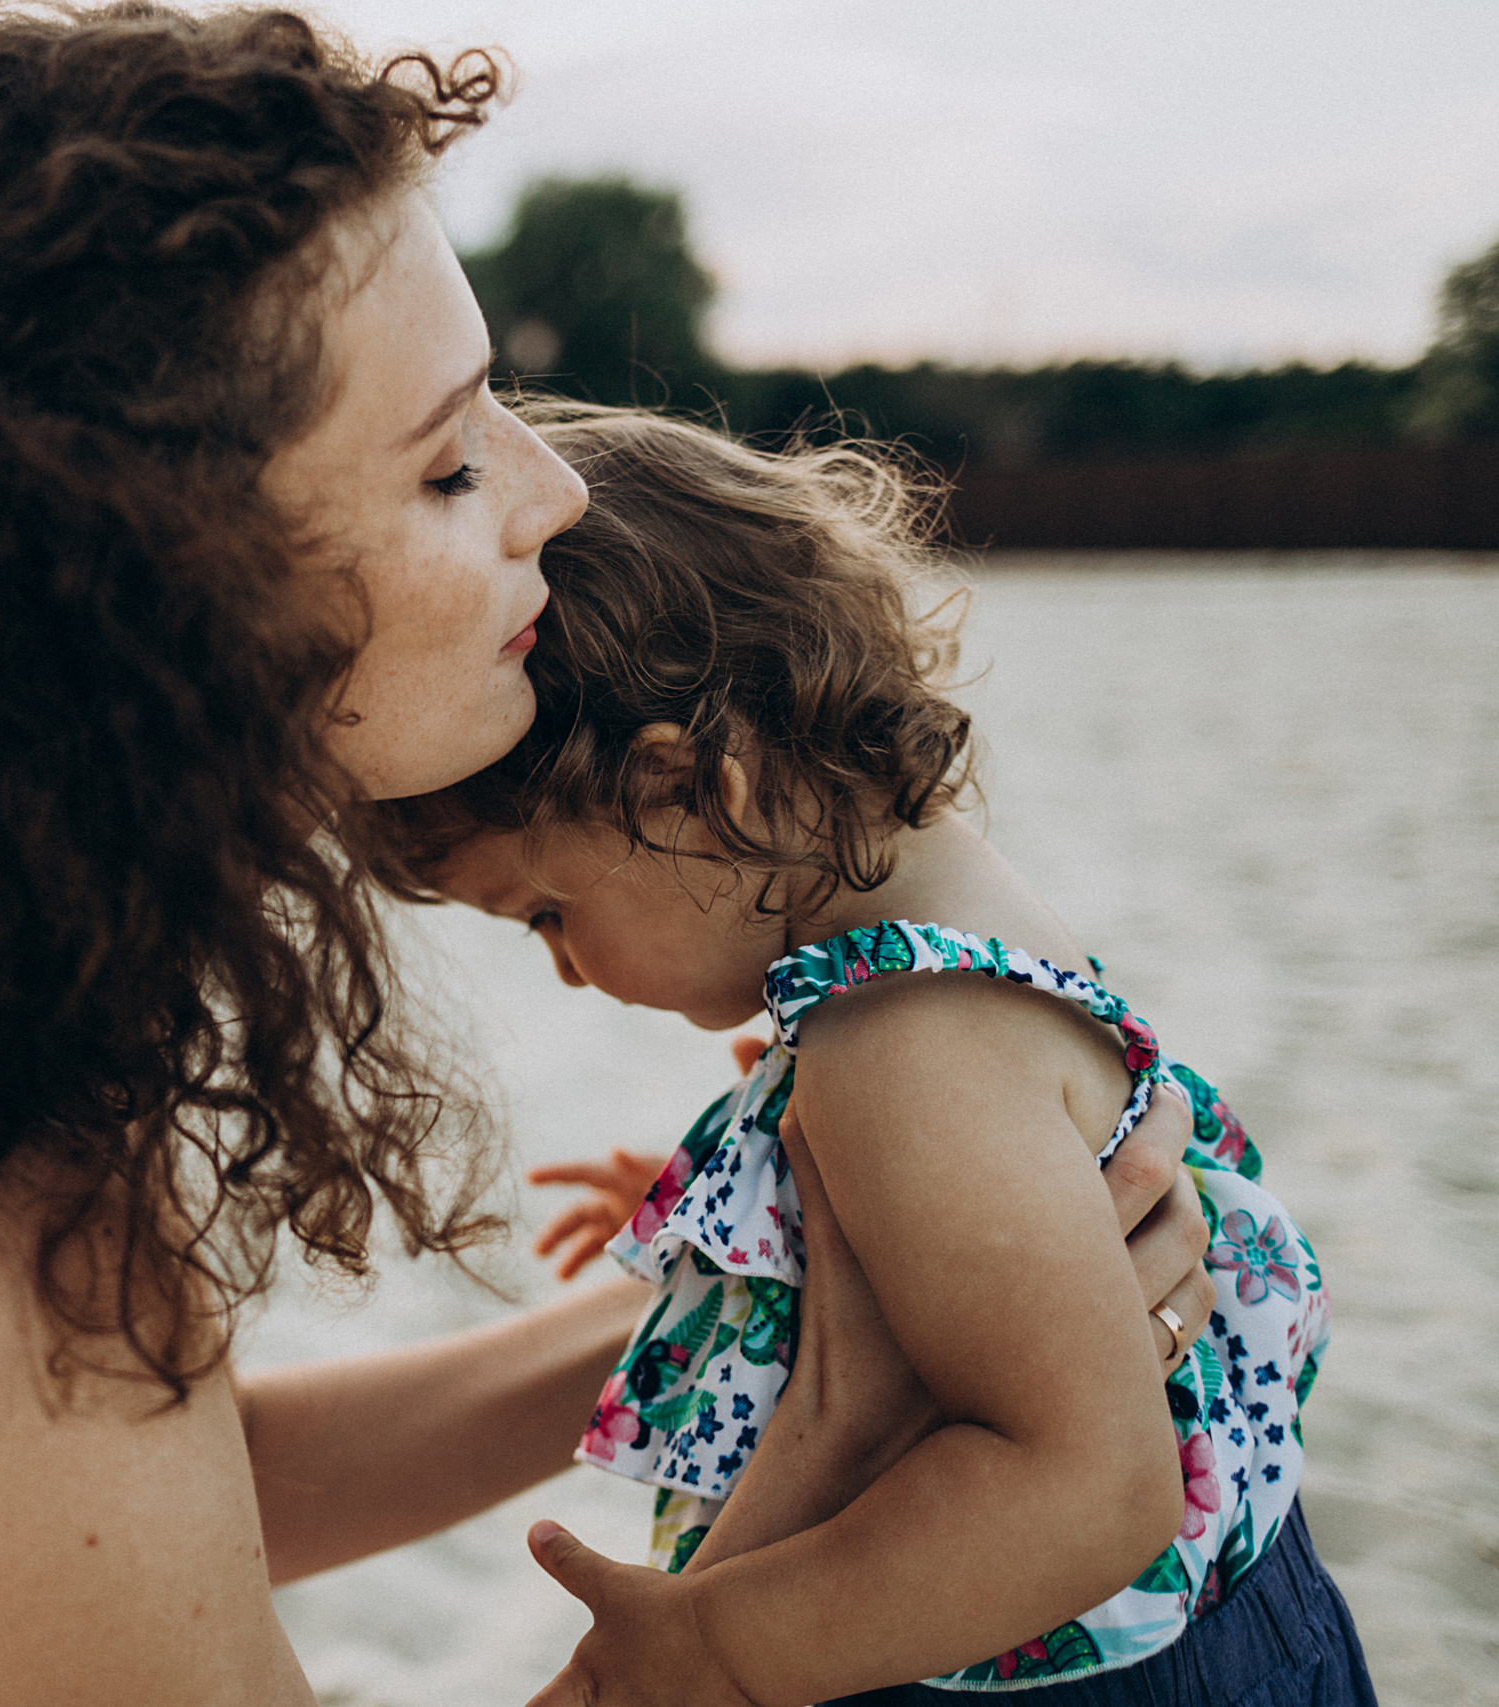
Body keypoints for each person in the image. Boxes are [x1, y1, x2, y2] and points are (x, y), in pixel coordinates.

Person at [0, 10, 1215, 1705]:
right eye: (449, 462)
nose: (551, 492)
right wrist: (839, 1434)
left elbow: (126, 1509)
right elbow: (78, 1476)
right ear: (172, 613)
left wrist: (746, 1289)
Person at [387, 404, 1372, 1705]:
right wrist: (756, 1220)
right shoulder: (956, 950)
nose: (567, 967)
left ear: (694, 790)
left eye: (546, 913)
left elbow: (1091, 1486)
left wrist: (718, 1651)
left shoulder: (902, 1044)